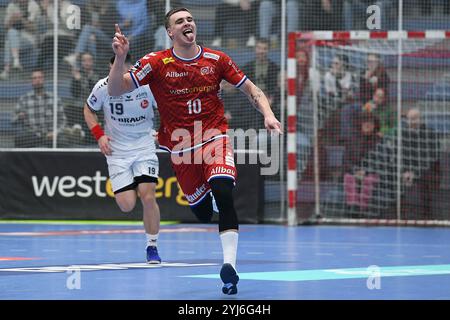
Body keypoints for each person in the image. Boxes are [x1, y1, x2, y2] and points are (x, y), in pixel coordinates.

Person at [108, 7, 282, 295]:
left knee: (224, 192)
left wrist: (268, 113)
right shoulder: (156, 62)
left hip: (214, 138)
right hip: (181, 150)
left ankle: (230, 268)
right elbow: (116, 90)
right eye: (180, 21)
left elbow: (252, 90)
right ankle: (210, 201)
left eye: (190, 19)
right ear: (170, 33)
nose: (187, 23)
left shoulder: (217, 60)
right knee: (201, 212)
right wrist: (120, 58)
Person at [84, 54, 161, 264]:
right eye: (113, 68)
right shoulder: (103, 87)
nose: (116, 72)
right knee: (127, 205)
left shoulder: (146, 86)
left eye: (120, 67)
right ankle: (131, 185)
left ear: (129, 67)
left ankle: (152, 246)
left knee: (148, 196)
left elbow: (167, 107)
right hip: (117, 152)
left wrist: (163, 131)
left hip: (144, 146)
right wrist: (99, 135)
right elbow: (88, 110)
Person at [13, 69, 81, 147]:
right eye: (34, 78)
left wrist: (55, 132)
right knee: (19, 140)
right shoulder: (24, 99)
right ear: (31, 81)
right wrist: (19, 116)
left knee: (64, 142)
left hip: (51, 136)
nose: (37, 80)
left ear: (43, 79)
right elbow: (13, 120)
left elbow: (63, 120)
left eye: (39, 77)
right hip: (33, 136)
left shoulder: (54, 98)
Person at [0, 0, 41, 80]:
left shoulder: (33, 5)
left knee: (9, 41)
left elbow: (34, 29)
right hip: (13, 38)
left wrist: (21, 19)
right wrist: (12, 19)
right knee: (11, 33)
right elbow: (6, 27)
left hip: (29, 38)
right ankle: (16, 61)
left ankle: (6, 70)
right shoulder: (12, 5)